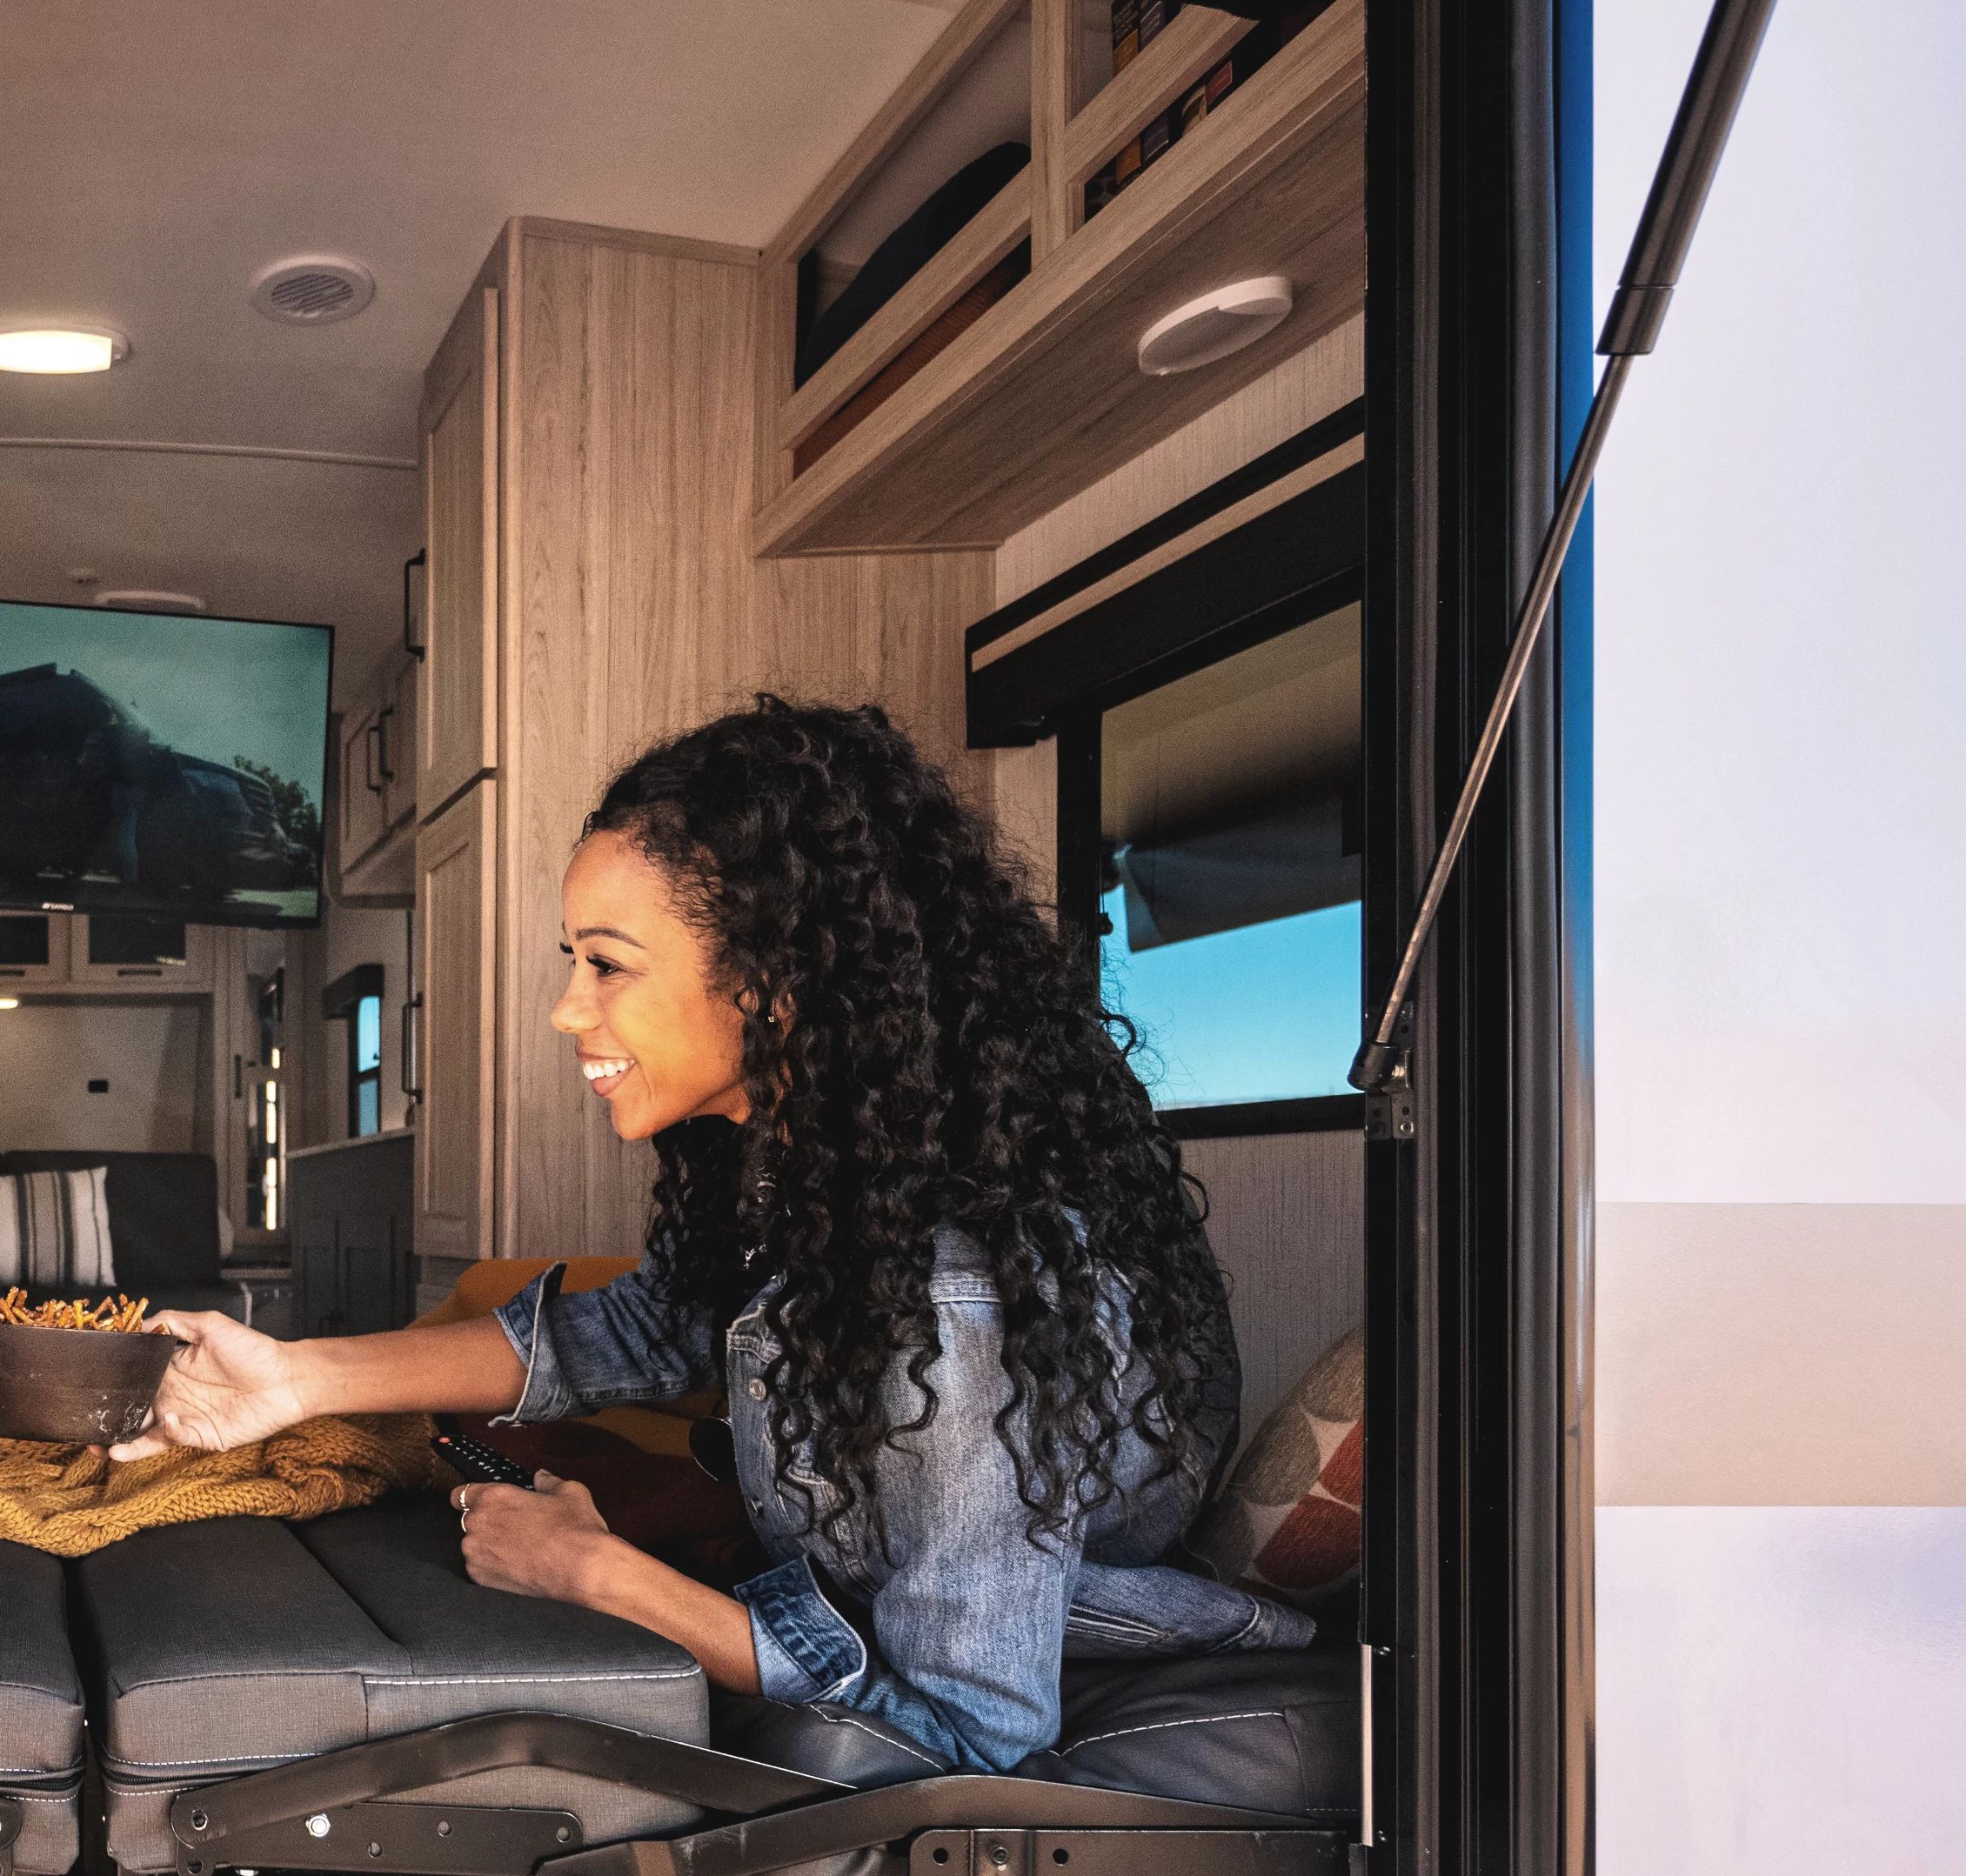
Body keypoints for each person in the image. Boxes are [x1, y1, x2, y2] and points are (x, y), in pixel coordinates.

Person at [118, 697, 1303, 1775]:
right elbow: (650, 1325)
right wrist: (295, 1379)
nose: (566, 1009)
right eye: (573, 962)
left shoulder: (957, 1306)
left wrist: (601, 1572)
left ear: (775, 982)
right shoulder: (823, 1167)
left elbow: (968, 1736)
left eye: (606, 966)